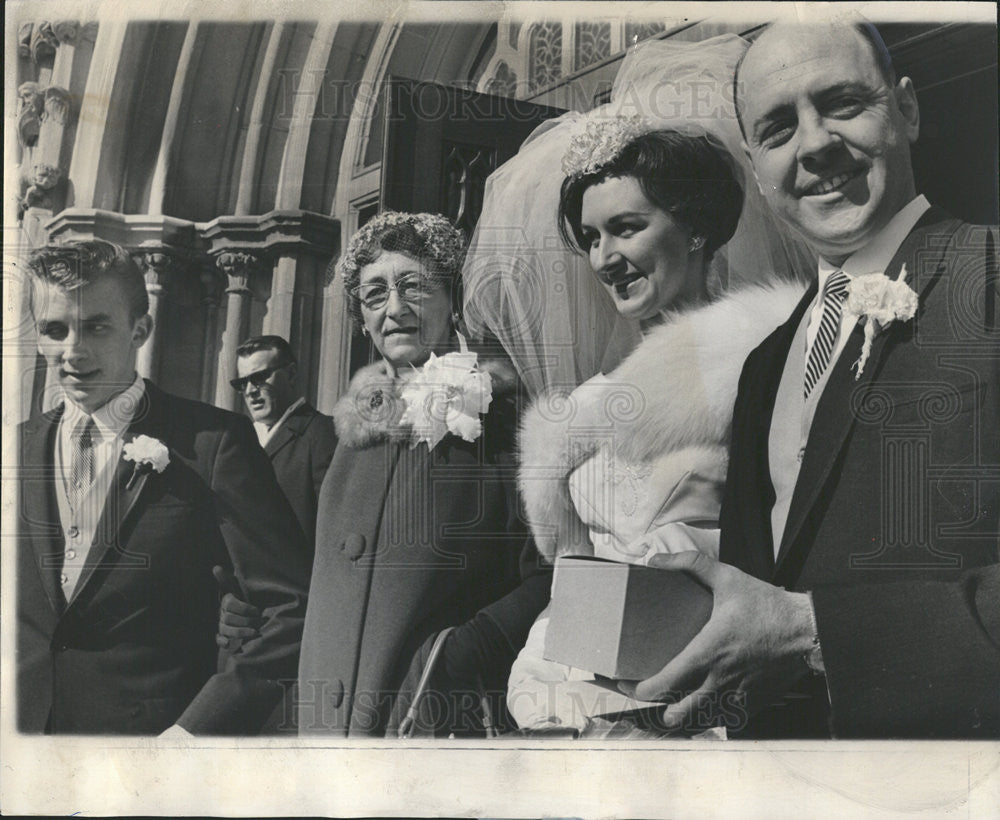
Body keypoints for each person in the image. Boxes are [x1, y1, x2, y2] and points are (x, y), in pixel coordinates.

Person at [630, 22, 999, 739]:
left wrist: (815, 633)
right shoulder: (766, 361)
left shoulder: (989, 276)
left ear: (908, 110)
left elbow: (792, 627)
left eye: (842, 102)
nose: (816, 145)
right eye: (777, 129)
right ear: (756, 168)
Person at [461, 35, 812, 734]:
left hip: (717, 699)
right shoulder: (593, 398)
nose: (604, 258)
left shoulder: (768, 357)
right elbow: (580, 579)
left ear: (695, 229)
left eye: (625, 228)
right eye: (589, 238)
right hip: (586, 700)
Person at [16, 239, 311, 735]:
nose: (72, 351)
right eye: (55, 329)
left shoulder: (212, 445)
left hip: (148, 751)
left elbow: (290, 608)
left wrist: (195, 733)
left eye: (96, 326)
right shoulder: (15, 448)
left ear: (140, 328)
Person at [283, 212, 552, 736]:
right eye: (375, 294)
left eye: (414, 287)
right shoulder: (352, 435)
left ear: (453, 299)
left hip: (432, 723)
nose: (396, 309)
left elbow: (551, 570)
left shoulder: (498, 419)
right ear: (361, 318)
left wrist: (460, 653)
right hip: (328, 730)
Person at [233, 334, 337, 549]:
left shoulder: (322, 433)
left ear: (291, 374)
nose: (251, 391)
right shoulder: (243, 440)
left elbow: (333, 527)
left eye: (260, 377)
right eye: (242, 383)